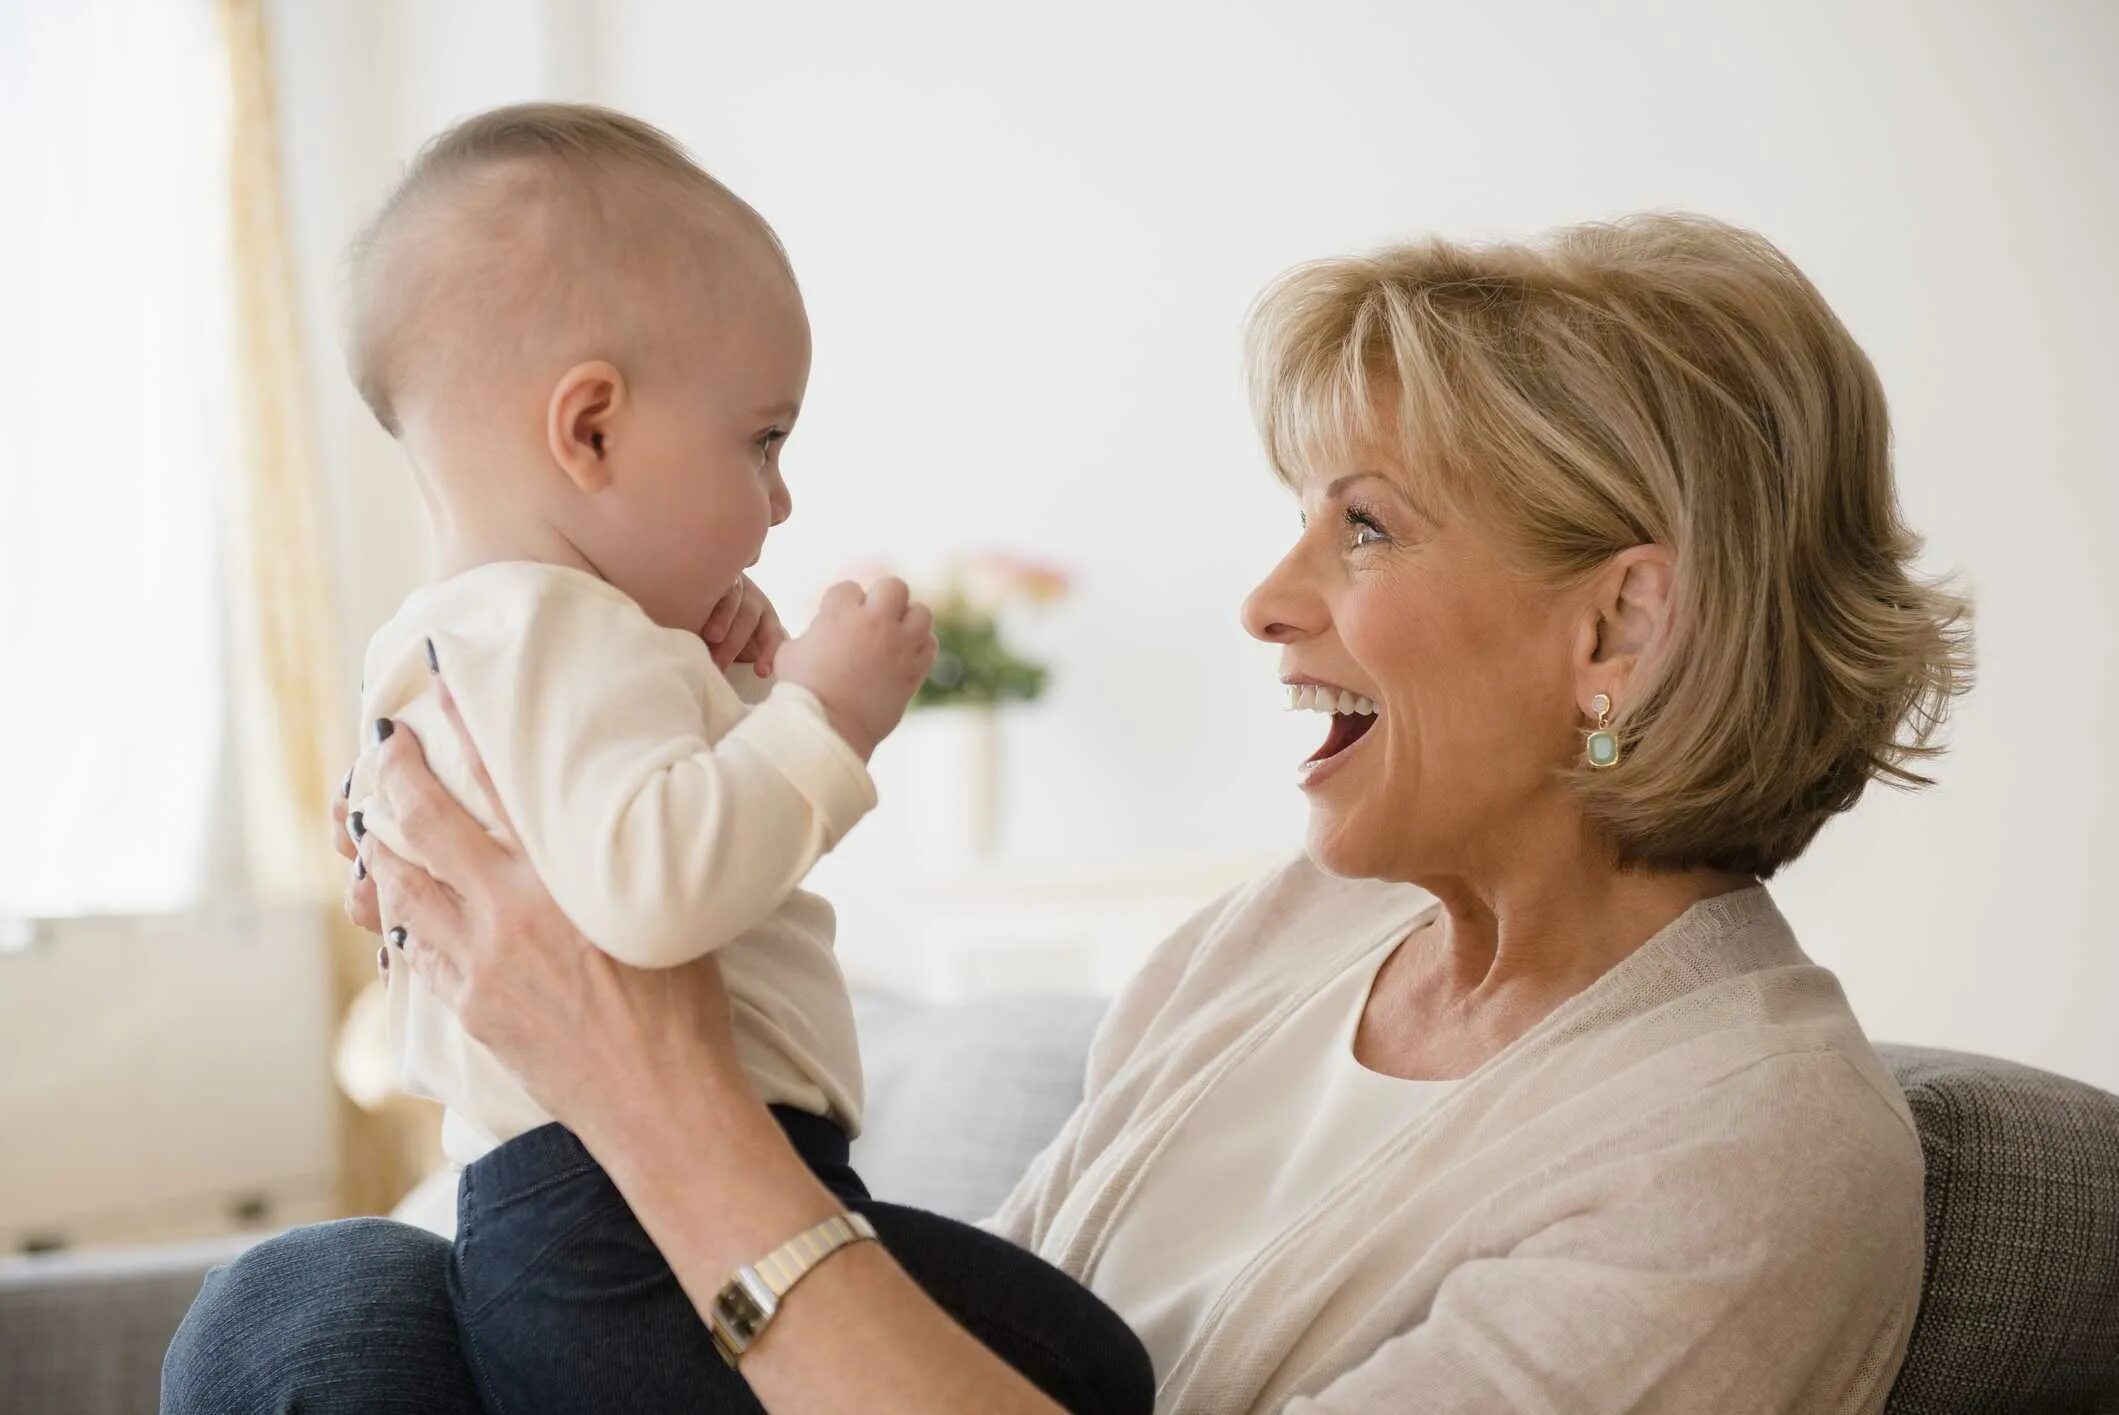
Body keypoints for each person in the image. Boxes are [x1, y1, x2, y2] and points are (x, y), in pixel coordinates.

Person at [166, 210, 1972, 1413]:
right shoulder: (1287, 937)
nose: (1268, 600)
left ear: (1618, 626)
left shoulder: (1746, 1159)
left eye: (1365, 523)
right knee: (315, 1304)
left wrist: (645, 1083)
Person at [164, 102, 1151, 1415]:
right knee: (1089, 1365)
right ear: (591, 432)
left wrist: (731, 687)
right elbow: (654, 891)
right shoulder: (548, 633)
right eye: (762, 439)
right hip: (620, 1219)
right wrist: (823, 717)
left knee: (1080, 1355)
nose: (783, 499)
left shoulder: (475, 648)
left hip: (596, 1207)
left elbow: (606, 858)